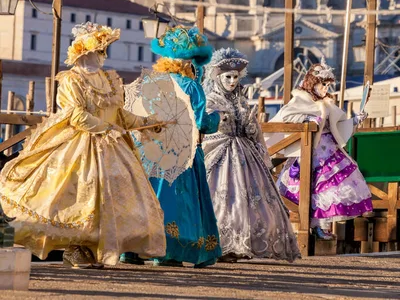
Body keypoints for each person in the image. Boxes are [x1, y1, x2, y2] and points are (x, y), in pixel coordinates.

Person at [0, 22, 166, 267]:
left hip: (112, 147)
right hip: (80, 145)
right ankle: (73, 247)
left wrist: (148, 122)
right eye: (100, 50)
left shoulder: (108, 79)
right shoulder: (71, 81)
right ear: (86, 52)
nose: (103, 56)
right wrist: (107, 128)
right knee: (74, 197)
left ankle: (91, 248)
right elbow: (75, 116)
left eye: (104, 51)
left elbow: (119, 114)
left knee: (111, 199)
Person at [203, 48, 300, 262]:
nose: (231, 81)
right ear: (217, 77)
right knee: (223, 202)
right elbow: (205, 127)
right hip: (220, 156)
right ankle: (220, 246)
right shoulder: (210, 100)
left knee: (249, 204)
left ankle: (240, 246)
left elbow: (252, 130)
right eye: (227, 77)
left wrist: (250, 125)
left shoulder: (241, 101)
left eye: (235, 77)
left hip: (245, 156)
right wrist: (220, 122)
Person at [267, 60, 373, 240]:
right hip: (308, 151)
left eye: (328, 85)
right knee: (307, 189)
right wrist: (309, 119)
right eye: (322, 84)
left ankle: (320, 227)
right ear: (313, 83)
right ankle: (301, 227)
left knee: (328, 189)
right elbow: (287, 117)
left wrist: (355, 121)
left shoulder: (327, 103)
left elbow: (338, 126)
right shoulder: (300, 99)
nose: (325, 88)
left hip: (329, 152)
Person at [149, 25, 222, 267]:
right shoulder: (191, 86)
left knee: (153, 196)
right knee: (181, 200)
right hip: (184, 152)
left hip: (153, 151)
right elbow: (202, 122)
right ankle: (175, 251)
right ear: (186, 63)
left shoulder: (153, 82)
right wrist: (217, 118)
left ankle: (140, 249)